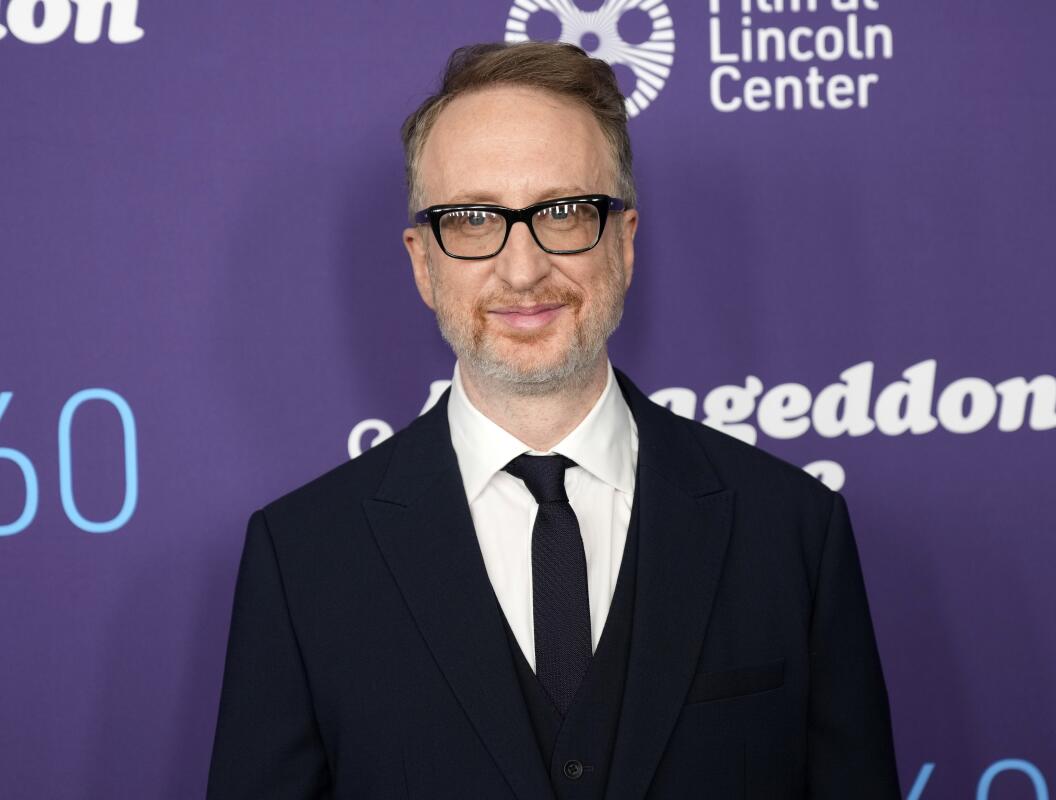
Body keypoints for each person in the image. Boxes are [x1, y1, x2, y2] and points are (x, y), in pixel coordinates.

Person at [206, 41, 901, 799]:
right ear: (421, 262)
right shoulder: (303, 557)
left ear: (626, 243)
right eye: (473, 219)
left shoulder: (793, 533)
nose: (523, 268)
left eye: (564, 212)